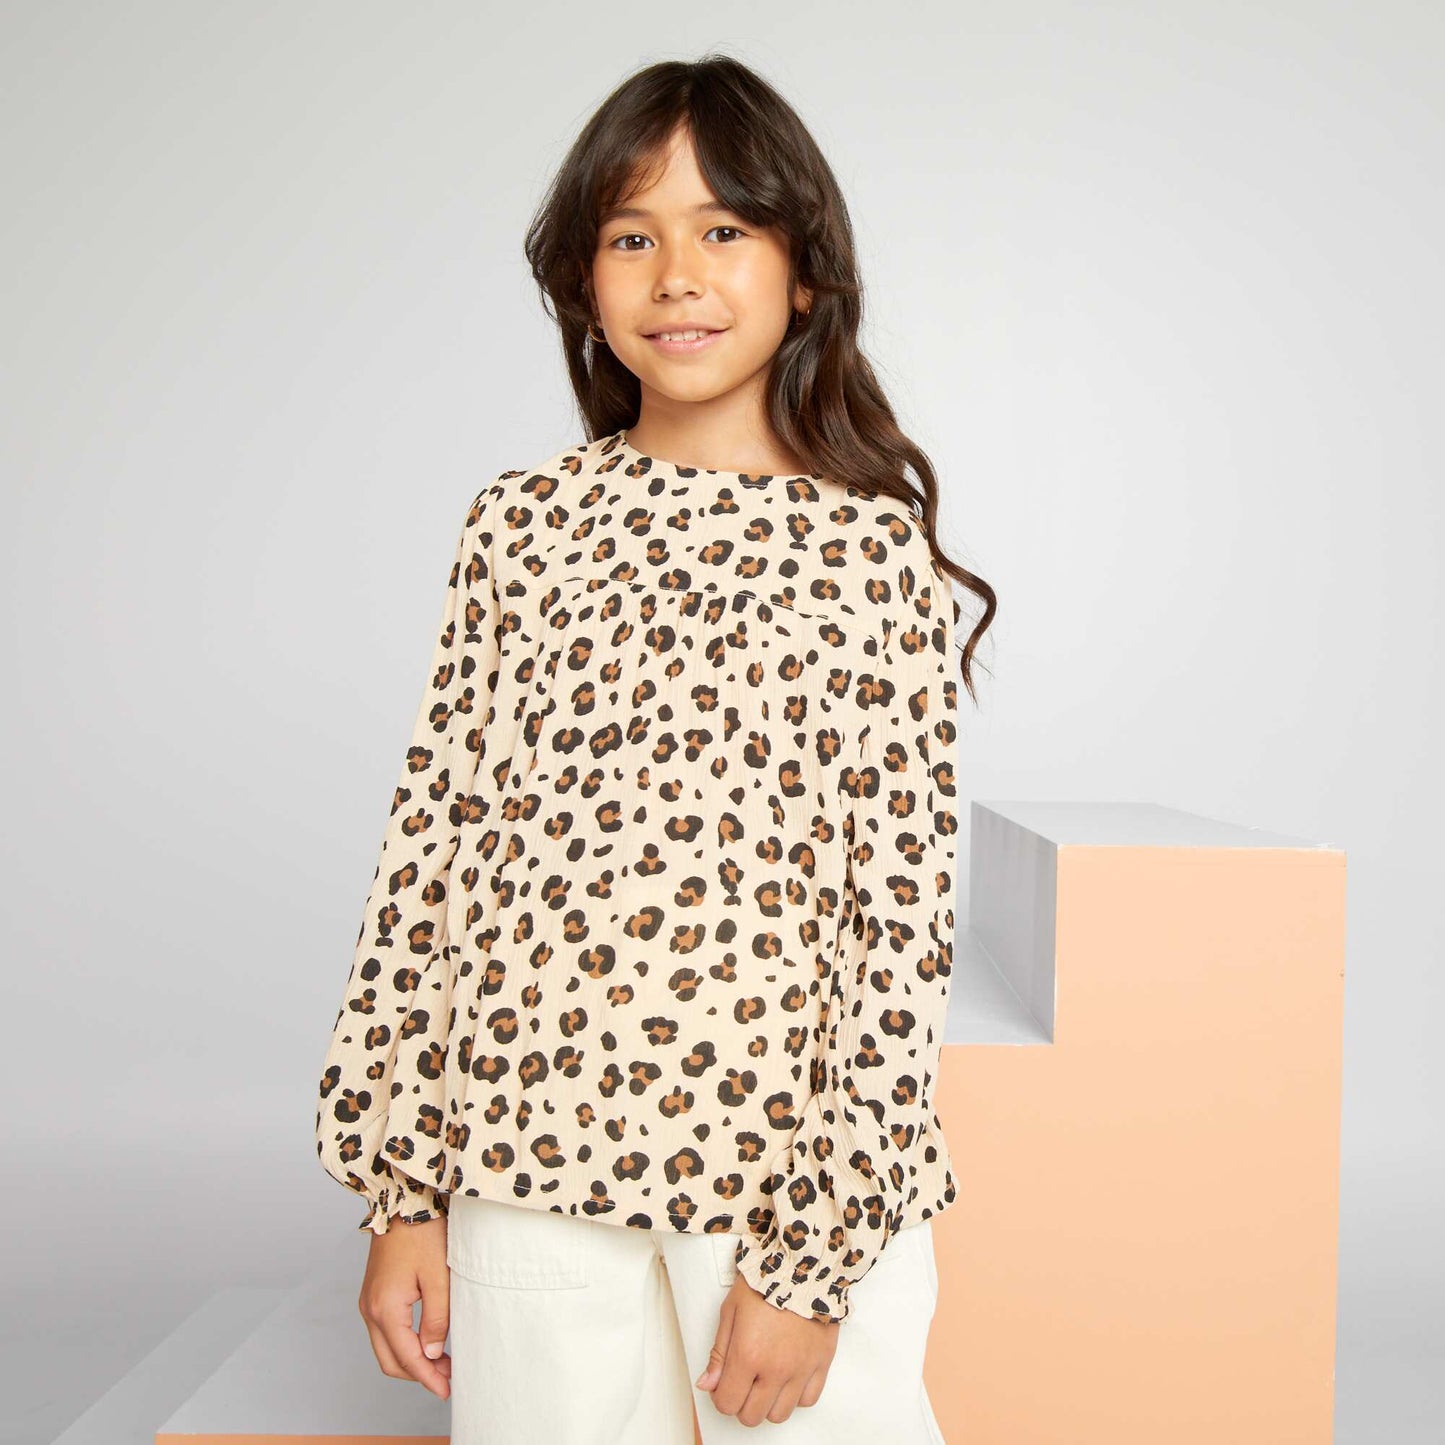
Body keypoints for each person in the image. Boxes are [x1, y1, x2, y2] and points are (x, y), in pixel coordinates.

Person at [314, 52, 995, 1444]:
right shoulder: (521, 526)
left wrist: (811, 1261)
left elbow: (897, 931)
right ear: (583, 279)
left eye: (723, 228)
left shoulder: (868, 559)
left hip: (778, 1182)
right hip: (526, 1155)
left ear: (806, 273)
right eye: (632, 237)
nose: (677, 274)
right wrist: (401, 1194)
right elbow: (431, 856)